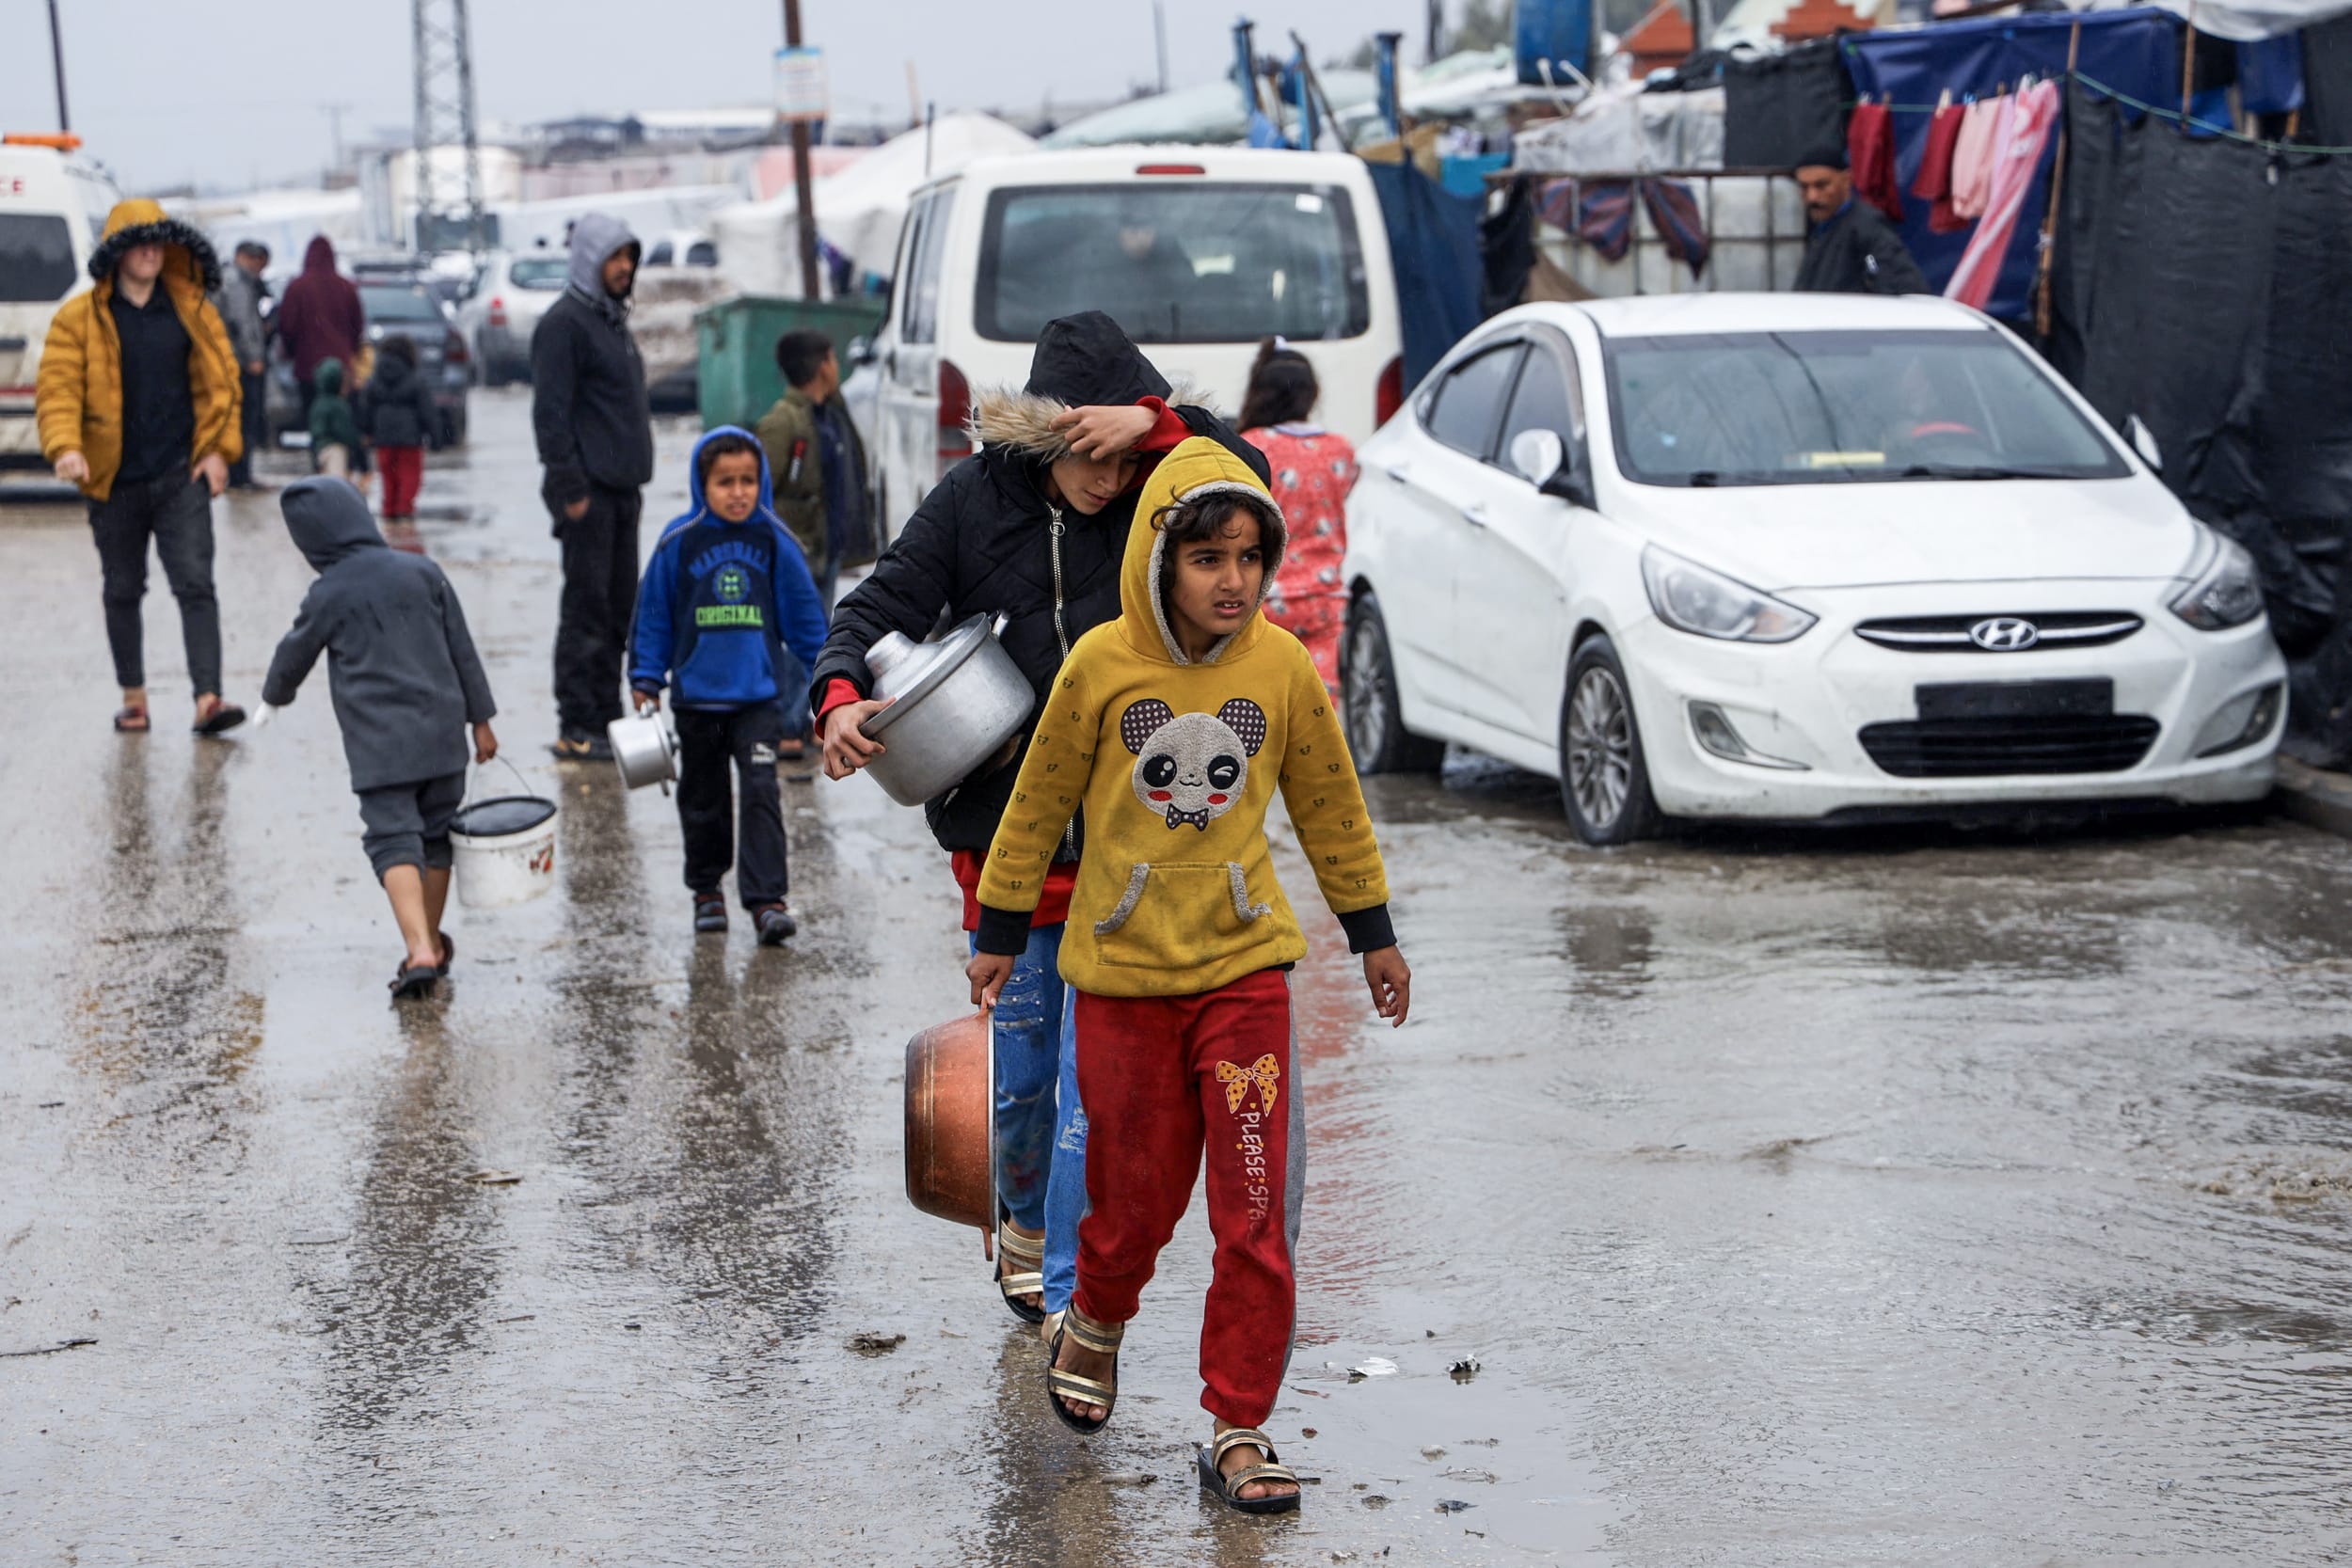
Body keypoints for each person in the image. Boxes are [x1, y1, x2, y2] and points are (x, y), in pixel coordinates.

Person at [963, 437, 1411, 1515]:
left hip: (1243, 975)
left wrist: (1371, 930)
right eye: (1208, 556)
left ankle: (1240, 1423)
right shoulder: (1101, 666)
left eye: (1251, 558)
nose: (1233, 580)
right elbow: (1036, 800)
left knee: (1254, 1204)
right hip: (1119, 981)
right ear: (1160, 557)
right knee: (1131, 1199)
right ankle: (1098, 1316)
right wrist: (999, 922)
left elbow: (1329, 802)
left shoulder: (1282, 671)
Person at [813, 310, 1272, 1332]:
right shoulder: (972, 503)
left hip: (1125, 841)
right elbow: (873, 605)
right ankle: (1020, 1219)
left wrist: (1154, 423)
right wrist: (839, 690)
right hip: (1007, 846)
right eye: (1084, 456)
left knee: (1088, 1098)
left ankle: (1069, 1297)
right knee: (1021, 1086)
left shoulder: (1162, 495)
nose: (1105, 482)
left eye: (1120, 458)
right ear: (1041, 436)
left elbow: (1247, 475)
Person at [261, 476, 499, 1002]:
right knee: (436, 838)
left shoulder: (328, 592)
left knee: (393, 839)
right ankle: (430, 943)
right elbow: (463, 650)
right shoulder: (423, 571)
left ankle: (419, 951)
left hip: (380, 750)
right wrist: (481, 721)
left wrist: (273, 696)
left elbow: (293, 654)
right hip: (442, 740)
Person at [36, 198, 248, 736]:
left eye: (159, 241)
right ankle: (135, 699)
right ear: (117, 252)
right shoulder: (78, 319)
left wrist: (219, 451)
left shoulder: (193, 311)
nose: (151, 251)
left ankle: (208, 699)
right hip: (113, 481)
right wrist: (66, 446)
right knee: (123, 589)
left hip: (182, 474)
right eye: (139, 241)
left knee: (197, 585)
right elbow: (57, 389)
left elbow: (222, 385)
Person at [628, 429, 828, 942]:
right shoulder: (679, 540)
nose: (738, 492)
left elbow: (806, 622)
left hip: (758, 698)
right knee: (703, 799)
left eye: (747, 480)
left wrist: (833, 682)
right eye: (724, 482)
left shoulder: (775, 540)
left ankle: (767, 901)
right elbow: (653, 615)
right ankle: (706, 890)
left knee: (761, 793)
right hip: (696, 699)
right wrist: (646, 676)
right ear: (702, 483)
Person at [532, 213, 654, 763]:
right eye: (615, 257)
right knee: (585, 609)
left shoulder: (610, 322)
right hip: (589, 496)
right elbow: (551, 416)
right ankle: (577, 724)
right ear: (589, 259)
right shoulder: (564, 324)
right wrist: (571, 488)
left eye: (630, 257)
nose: (625, 268)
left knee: (616, 609)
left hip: (622, 491)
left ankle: (605, 719)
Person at [1236, 338, 1355, 697]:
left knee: (1262, 697)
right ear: (1312, 394)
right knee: (1317, 698)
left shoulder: (1252, 446)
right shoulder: (1340, 449)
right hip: (1326, 595)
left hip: (1265, 597)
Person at [755, 327, 868, 615]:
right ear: (822, 367)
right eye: (833, 359)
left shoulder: (832, 415)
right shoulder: (782, 422)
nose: (837, 367)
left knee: (819, 638)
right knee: (799, 645)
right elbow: (759, 492)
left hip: (826, 552)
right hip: (797, 556)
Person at [1793, 148, 1929, 295]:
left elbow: (1895, 282)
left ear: (1846, 180)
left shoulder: (1866, 228)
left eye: (1822, 185)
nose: (1812, 196)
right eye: (1804, 187)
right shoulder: (1823, 227)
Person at [274, 236, 364, 424]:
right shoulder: (346, 287)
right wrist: (352, 351)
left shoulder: (297, 287)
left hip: (307, 363)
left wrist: (291, 352)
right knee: (342, 415)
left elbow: (287, 326)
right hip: (341, 364)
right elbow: (358, 324)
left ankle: (319, 448)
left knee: (313, 414)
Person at [215, 240, 271, 489]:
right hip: (238, 363)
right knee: (244, 418)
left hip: (231, 360)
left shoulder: (229, 278)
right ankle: (240, 474)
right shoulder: (237, 282)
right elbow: (241, 322)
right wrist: (253, 357)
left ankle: (239, 473)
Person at [364, 335, 437, 521]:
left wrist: (366, 433)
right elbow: (427, 411)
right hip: (409, 439)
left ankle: (389, 512)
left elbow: (365, 409)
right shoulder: (416, 380)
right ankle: (405, 511)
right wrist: (436, 436)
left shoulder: (374, 380)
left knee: (388, 478)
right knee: (410, 476)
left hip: (383, 439)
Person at [307, 359, 369, 483]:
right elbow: (344, 430)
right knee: (337, 485)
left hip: (319, 448)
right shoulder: (339, 405)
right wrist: (358, 440)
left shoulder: (317, 403)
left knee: (323, 483)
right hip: (335, 449)